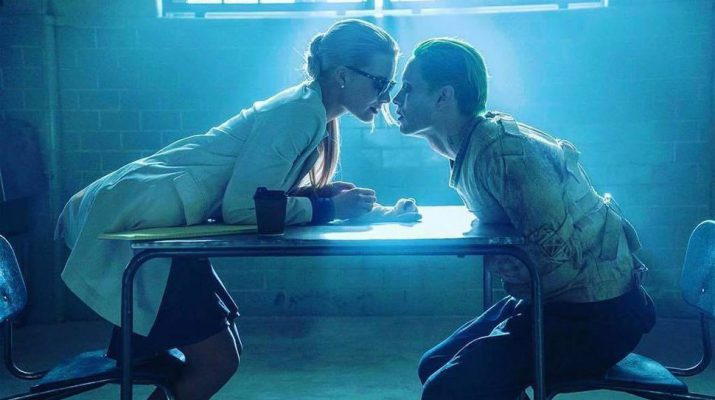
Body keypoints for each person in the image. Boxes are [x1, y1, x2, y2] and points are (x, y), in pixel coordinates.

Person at [55, 19, 417, 400]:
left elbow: (258, 195)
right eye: (380, 83)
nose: (386, 96)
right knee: (217, 361)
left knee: (222, 355)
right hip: (138, 220)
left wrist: (332, 202)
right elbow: (243, 208)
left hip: (162, 225)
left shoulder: (309, 109)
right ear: (342, 75)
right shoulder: (300, 113)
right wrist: (326, 208)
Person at [392, 37, 656, 400]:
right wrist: (506, 257)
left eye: (408, 89)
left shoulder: (502, 153)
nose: (396, 100)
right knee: (434, 364)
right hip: (554, 303)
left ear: (444, 97)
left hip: (597, 316)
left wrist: (507, 260)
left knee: (448, 389)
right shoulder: (470, 146)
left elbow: (558, 258)